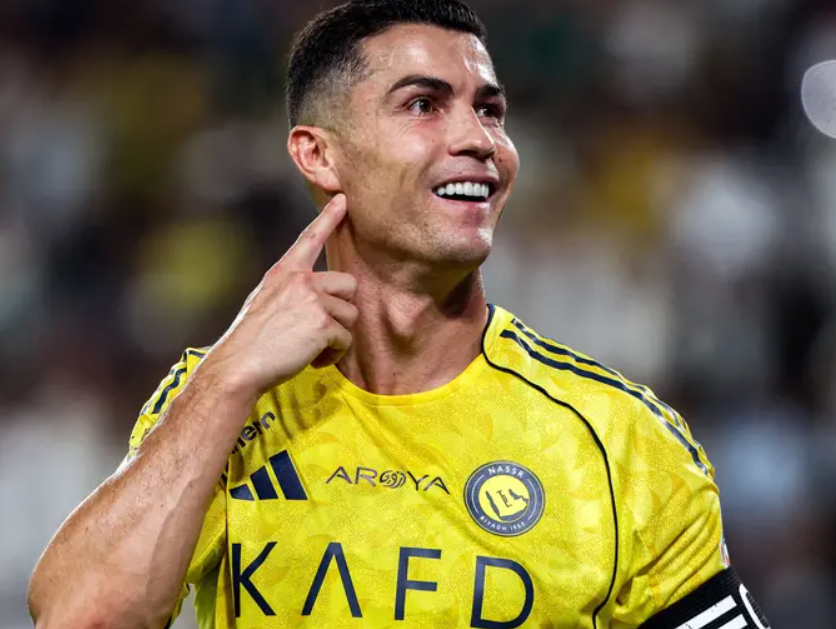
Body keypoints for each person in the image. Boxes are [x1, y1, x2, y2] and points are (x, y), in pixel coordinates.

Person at [27, 1, 770, 627]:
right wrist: (227, 377)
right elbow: (81, 616)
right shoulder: (225, 402)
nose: (478, 140)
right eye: (423, 105)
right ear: (318, 156)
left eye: (489, 110)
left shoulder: (621, 441)